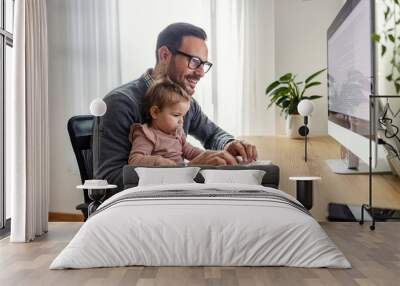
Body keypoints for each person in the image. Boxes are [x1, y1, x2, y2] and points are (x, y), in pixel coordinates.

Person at [96, 22, 258, 190]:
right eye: (194, 61)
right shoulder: (120, 103)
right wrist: (186, 171)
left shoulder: (184, 102)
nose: (201, 72)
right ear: (165, 55)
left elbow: (212, 134)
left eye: (204, 64)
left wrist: (228, 144)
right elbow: (110, 179)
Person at [128, 77, 204, 166]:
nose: (181, 121)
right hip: (161, 178)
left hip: (181, 176)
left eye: (183, 116)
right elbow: (135, 160)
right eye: (176, 115)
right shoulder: (147, 134)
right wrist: (157, 161)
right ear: (155, 112)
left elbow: (190, 151)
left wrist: (206, 155)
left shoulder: (178, 133)